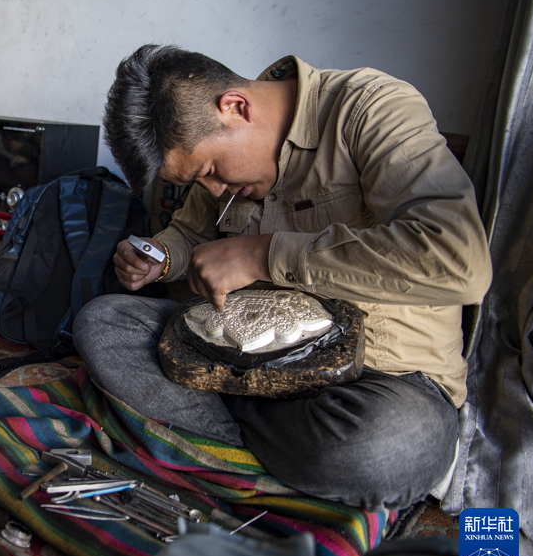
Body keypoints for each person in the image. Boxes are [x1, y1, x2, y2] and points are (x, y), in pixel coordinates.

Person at [73, 45, 493, 510]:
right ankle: (256, 456)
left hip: (373, 383)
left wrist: (261, 254)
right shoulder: (222, 162)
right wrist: (162, 256)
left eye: (210, 171)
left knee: (387, 447)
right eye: (197, 182)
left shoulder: (370, 107)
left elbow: (458, 259)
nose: (213, 189)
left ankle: (207, 443)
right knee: (103, 322)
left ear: (236, 107)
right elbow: (192, 234)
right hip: (241, 360)